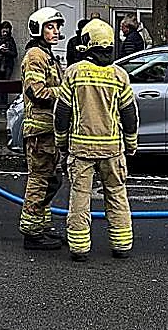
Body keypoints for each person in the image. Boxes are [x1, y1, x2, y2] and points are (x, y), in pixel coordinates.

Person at [55, 18, 138, 262]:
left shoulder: (74, 73)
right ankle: (122, 244)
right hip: (112, 149)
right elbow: (129, 113)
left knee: (80, 196)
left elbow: (62, 112)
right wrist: (131, 143)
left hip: (81, 150)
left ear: (87, 43)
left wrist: (61, 141)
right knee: (116, 193)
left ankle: (79, 247)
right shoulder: (119, 75)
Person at [18, 7, 65, 250]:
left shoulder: (48, 56)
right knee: (39, 182)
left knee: (51, 180)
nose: (56, 31)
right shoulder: (35, 55)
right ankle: (32, 234)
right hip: (39, 133)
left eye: (57, 26)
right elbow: (37, 93)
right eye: (50, 26)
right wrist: (66, 93)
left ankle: (42, 226)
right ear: (38, 29)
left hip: (50, 131)